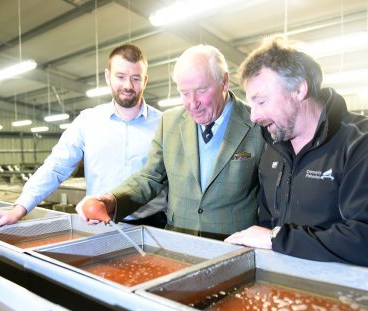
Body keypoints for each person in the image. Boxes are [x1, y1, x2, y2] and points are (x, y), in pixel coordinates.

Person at [224, 35, 368, 270]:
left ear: (299, 88)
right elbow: (268, 223)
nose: (253, 116)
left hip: (348, 295)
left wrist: (277, 239)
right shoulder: (273, 149)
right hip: (284, 287)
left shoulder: (367, 143)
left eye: (262, 101)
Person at [0, 44, 166, 230]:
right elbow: (56, 167)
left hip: (155, 223)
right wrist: (19, 208)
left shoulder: (164, 123)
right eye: (120, 76)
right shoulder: (88, 121)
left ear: (145, 80)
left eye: (136, 78)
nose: (128, 85)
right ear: (108, 77)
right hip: (100, 224)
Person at [76, 45, 265, 240]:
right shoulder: (170, 122)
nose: (192, 103)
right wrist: (111, 200)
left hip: (236, 244)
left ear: (224, 82)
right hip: (179, 239)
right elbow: (151, 177)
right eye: (184, 93)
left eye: (201, 90)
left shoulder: (258, 124)